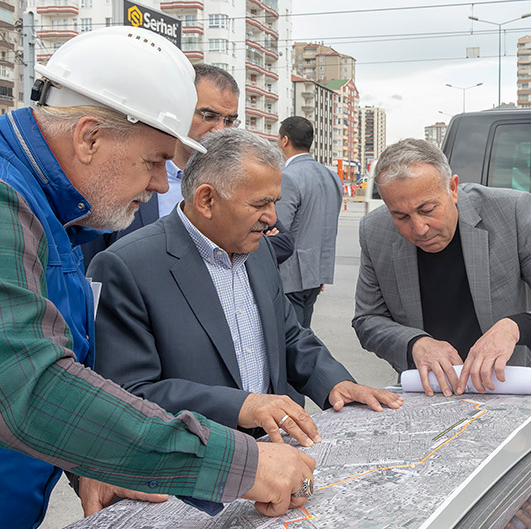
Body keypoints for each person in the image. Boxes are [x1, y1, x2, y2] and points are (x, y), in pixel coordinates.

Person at [0, 27, 314, 529]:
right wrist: (240, 466)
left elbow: (60, 359)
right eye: (153, 162)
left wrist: (86, 457)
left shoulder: (46, 204)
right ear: (91, 136)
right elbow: (30, 390)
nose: (157, 183)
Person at [87, 127, 402, 444]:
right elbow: (129, 392)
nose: (272, 217)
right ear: (207, 200)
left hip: (273, 449)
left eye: (275, 202)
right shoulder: (127, 266)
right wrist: (240, 405)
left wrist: (333, 383)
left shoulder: (258, 249)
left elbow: (288, 335)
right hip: (195, 462)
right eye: (261, 204)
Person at [352, 138, 531, 396]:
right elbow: (368, 319)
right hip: (432, 391)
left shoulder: (512, 212)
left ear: (453, 189)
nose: (419, 228)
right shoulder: (374, 231)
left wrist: (513, 328)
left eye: (428, 209)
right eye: (401, 216)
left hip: (515, 387)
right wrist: (415, 343)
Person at [80, 64, 293, 266]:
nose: (220, 129)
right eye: (209, 116)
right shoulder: (127, 174)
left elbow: (283, 242)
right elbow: (92, 257)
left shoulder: (234, 178)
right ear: (179, 110)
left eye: (229, 121)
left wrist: (227, 252)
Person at [277, 116, 344, 327]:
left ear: (284, 140)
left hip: (290, 275)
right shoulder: (332, 177)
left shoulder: (287, 177)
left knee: (291, 339)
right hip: (318, 270)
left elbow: (278, 229)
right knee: (304, 333)